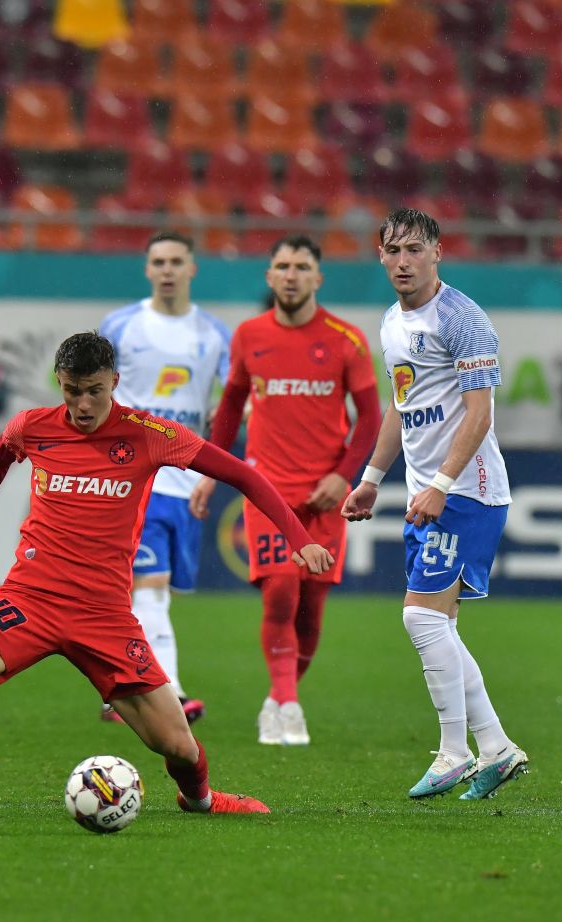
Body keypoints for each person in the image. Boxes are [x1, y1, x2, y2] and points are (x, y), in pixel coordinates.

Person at [0, 331, 333, 818]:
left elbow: (243, 476)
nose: (83, 405)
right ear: (59, 383)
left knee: (175, 743)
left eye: (94, 392)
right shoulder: (33, 426)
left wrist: (300, 538)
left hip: (104, 614)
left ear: (114, 382)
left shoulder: (150, 435)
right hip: (30, 597)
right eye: (72, 391)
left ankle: (200, 800)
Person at [342, 209, 528, 801]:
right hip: (429, 492)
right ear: (380, 255)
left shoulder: (462, 318)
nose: (403, 261)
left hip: (467, 490)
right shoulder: (391, 323)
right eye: (393, 250)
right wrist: (372, 478)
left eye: (414, 250)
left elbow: (480, 412)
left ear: (437, 253)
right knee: (439, 624)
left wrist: (442, 483)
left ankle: (454, 751)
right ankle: (495, 748)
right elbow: (401, 405)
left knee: (420, 618)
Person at [190, 235, 381, 747]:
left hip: (325, 494)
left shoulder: (346, 339)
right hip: (267, 489)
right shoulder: (249, 335)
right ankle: (289, 706)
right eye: (282, 266)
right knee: (280, 590)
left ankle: (277, 699)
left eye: (301, 266)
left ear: (318, 277)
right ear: (269, 276)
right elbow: (230, 407)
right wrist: (209, 472)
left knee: (311, 606)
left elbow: (370, 418)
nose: (291, 275)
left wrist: (344, 475)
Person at [97, 230, 231, 724]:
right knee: (150, 586)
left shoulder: (215, 333)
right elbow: (93, 391)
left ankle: (123, 689)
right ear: (147, 269)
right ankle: (169, 691)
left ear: (192, 269)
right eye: (159, 261)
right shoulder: (120, 326)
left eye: (177, 261)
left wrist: (229, 414)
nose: (168, 270)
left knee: (153, 591)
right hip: (133, 477)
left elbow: (239, 395)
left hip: (186, 481)